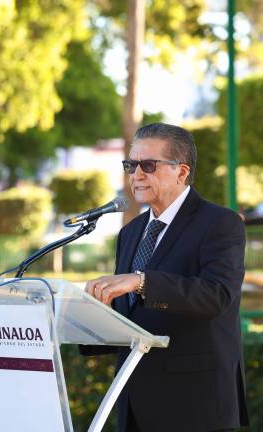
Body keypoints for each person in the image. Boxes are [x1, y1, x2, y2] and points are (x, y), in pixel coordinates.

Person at [82, 122, 249, 431]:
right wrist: (79, 317)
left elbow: (217, 295)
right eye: (131, 165)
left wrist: (142, 281)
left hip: (195, 405)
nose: (136, 174)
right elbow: (130, 314)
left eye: (148, 165)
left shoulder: (220, 223)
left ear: (181, 172)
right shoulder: (130, 233)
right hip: (134, 402)